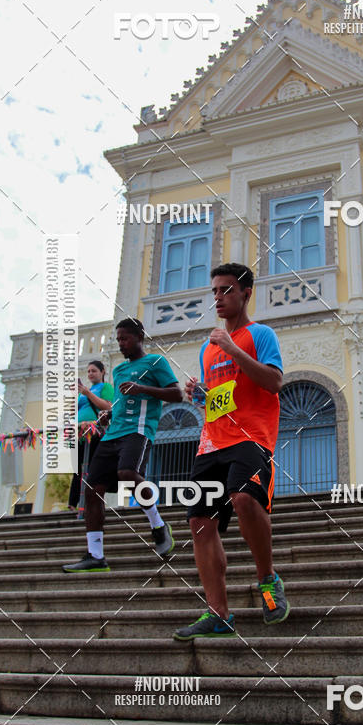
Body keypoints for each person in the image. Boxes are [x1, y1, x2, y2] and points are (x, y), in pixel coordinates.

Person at [174, 263, 289, 640]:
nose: (219, 298)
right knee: (199, 523)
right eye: (215, 292)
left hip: (251, 438)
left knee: (243, 498)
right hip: (211, 443)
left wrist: (231, 348)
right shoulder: (208, 349)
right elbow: (222, 401)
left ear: (245, 293)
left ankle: (268, 582)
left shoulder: (260, 334)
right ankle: (219, 614)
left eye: (226, 290)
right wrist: (201, 396)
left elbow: (272, 382)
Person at [62, 318, 181, 572]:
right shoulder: (118, 371)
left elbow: (176, 394)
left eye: (124, 338)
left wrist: (142, 389)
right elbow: (118, 402)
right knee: (92, 489)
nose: (121, 344)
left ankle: (158, 526)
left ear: (139, 336)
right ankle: (95, 555)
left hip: (138, 431)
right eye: (118, 340)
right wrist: (108, 415)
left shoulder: (155, 362)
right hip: (112, 434)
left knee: (127, 473)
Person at [67, 360, 114, 511]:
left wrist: (87, 393)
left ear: (102, 372)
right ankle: (72, 504)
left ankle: (89, 503)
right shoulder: (85, 392)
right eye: (88, 371)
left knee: (91, 468)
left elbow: (107, 406)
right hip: (78, 433)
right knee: (77, 469)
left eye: (94, 370)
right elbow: (73, 412)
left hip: (94, 432)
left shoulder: (105, 387)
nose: (90, 374)